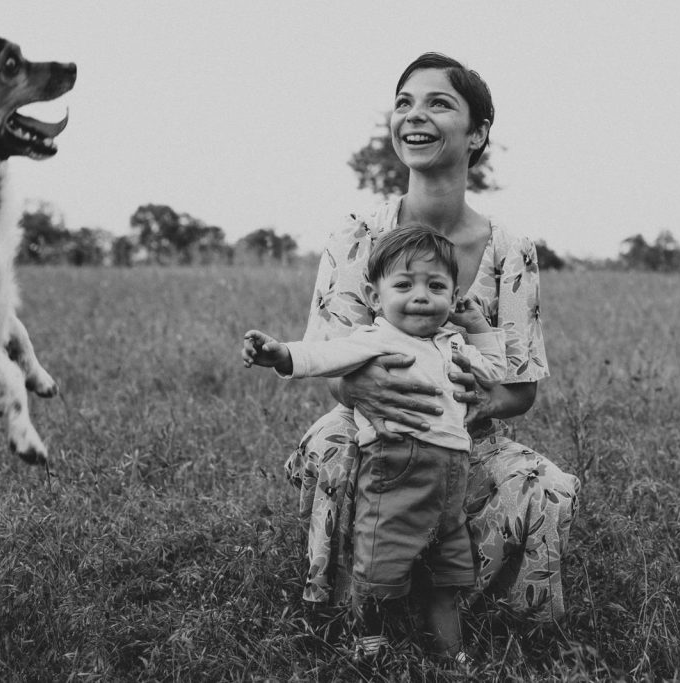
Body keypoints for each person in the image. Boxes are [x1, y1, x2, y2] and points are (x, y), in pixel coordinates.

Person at [284, 52, 580, 628]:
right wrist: (364, 387)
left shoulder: (511, 252)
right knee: (333, 451)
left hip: (467, 436)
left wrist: (476, 399)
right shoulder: (355, 236)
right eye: (403, 103)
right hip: (368, 425)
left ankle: (490, 618)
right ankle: (356, 609)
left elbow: (520, 393)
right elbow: (332, 370)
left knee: (546, 485)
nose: (414, 116)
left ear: (477, 134)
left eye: (438, 103)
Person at [243, 224, 506, 661]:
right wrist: (280, 355)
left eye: (436, 286)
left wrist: (476, 323)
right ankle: (371, 642)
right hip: (395, 463)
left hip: (451, 476)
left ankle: (451, 654)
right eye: (404, 285)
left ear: (453, 296)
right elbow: (325, 357)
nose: (421, 295)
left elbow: (496, 372)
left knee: (449, 571)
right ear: (374, 294)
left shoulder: (453, 341)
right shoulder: (377, 338)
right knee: (381, 558)